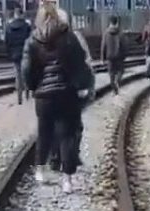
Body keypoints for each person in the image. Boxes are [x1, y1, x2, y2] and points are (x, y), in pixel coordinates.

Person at [23, 1, 93, 193]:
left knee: (44, 132)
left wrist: (33, 86)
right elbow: (80, 63)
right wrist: (82, 85)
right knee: (67, 135)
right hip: (66, 94)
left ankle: (40, 171)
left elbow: (27, 69)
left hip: (43, 97)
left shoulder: (33, 39)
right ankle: (67, 180)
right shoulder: (68, 37)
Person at [5, 8, 32, 104]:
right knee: (26, 73)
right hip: (25, 53)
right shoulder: (27, 26)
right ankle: (27, 93)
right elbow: (30, 40)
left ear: (15, 15)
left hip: (15, 54)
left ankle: (19, 97)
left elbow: (7, 42)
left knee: (18, 75)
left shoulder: (8, 27)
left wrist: (9, 53)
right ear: (22, 15)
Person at [101, 15, 126, 94]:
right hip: (119, 56)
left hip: (109, 57)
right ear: (117, 22)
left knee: (111, 74)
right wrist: (124, 55)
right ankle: (117, 81)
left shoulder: (106, 33)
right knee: (120, 71)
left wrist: (102, 58)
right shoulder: (120, 33)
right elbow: (124, 45)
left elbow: (103, 46)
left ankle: (114, 89)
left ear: (110, 22)